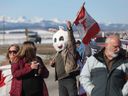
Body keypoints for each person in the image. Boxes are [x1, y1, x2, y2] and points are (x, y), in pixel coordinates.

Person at [50, 21, 79, 96]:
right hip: (60, 79)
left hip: (68, 77)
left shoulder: (69, 50)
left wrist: (69, 29)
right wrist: (53, 64)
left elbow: (71, 41)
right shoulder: (58, 53)